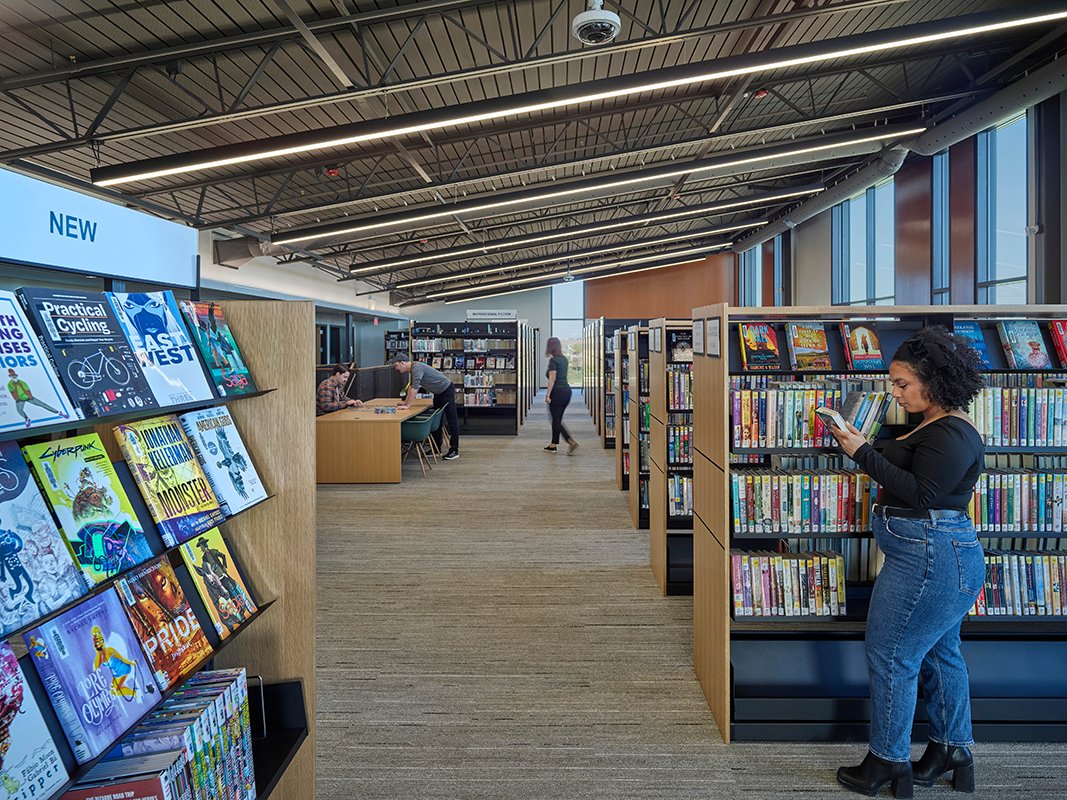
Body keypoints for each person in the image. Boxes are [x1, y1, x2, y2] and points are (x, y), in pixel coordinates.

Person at [830, 326, 986, 798]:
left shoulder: (953, 433)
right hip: (931, 555)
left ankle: (887, 761)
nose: (894, 393)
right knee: (941, 655)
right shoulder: (935, 423)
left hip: (929, 558)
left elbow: (921, 492)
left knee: (892, 656)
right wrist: (866, 445)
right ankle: (951, 750)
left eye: (901, 384)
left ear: (934, 381)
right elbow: (910, 470)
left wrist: (860, 452)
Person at [392, 355, 459, 461]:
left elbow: (415, 388)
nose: (396, 368)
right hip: (438, 392)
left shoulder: (416, 368)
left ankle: (454, 450)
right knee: (437, 420)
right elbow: (411, 387)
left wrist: (408, 405)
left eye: (396, 365)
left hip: (446, 390)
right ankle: (436, 449)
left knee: (452, 420)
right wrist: (405, 403)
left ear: (402, 363)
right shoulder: (413, 369)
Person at [544, 337, 577, 454]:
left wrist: (547, 395)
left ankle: (571, 441)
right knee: (557, 419)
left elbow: (552, 378)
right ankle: (553, 444)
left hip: (557, 392)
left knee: (556, 420)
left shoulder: (554, 361)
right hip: (567, 392)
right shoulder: (564, 359)